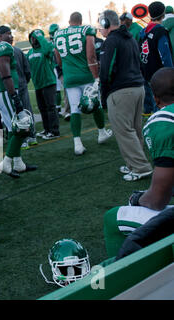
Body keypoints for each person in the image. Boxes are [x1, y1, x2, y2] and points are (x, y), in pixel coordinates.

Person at [103, 67, 174, 259]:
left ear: (156, 98)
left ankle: (122, 279)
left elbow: (158, 200)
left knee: (112, 218)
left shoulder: (163, 121)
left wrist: (139, 199)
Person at [99, 10, 153, 182]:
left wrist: (104, 94)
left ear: (107, 23)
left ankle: (140, 167)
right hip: (138, 87)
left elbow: (106, 71)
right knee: (135, 129)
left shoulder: (112, 40)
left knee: (124, 130)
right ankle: (134, 163)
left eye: (101, 25)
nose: (100, 29)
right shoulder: (129, 37)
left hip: (122, 90)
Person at [54, 12, 113, 155]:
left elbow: (58, 60)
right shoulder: (86, 30)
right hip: (86, 75)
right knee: (96, 103)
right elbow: (91, 55)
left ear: (69, 21)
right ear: (80, 21)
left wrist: (69, 68)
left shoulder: (58, 34)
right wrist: (96, 77)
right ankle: (101, 132)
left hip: (69, 77)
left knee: (74, 109)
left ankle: (77, 143)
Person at [0, 26, 38, 178]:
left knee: (12, 129)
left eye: (11, 33)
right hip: (5, 92)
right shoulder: (2, 47)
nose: (11, 36)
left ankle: (18, 163)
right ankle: (6, 162)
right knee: (21, 127)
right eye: (7, 34)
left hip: (0, 92)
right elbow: (4, 72)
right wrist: (14, 95)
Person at [139, 1, 174, 116]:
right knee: (164, 103)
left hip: (148, 72)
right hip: (160, 73)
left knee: (156, 100)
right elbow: (165, 55)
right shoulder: (160, 31)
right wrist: (171, 73)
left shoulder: (143, 31)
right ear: (163, 14)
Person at [27, 29, 60, 140]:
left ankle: (54, 131)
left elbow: (48, 49)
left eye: (35, 37)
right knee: (42, 108)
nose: (34, 39)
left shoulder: (45, 49)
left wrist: (40, 37)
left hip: (48, 82)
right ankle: (47, 130)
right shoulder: (30, 53)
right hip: (38, 85)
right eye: (32, 37)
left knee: (51, 107)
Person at [13, 41, 38, 149]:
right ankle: (32, 136)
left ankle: (22, 140)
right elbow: (27, 69)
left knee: (16, 113)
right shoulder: (18, 51)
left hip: (11, 87)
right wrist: (25, 80)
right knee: (27, 110)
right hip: (22, 83)